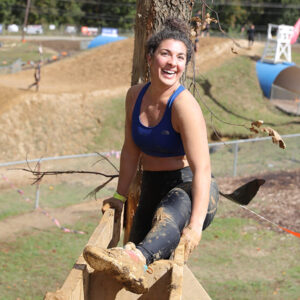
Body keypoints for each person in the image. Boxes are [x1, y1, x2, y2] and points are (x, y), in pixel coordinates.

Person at [83, 18, 219, 294]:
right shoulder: (135, 96)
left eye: (180, 57)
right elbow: (131, 150)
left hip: (189, 189)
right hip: (152, 187)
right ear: (150, 57)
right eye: (166, 53)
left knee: (159, 227)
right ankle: (135, 257)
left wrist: (194, 227)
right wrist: (120, 196)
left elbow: (203, 169)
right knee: (133, 259)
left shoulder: (184, 106)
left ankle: (138, 256)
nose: (173, 62)